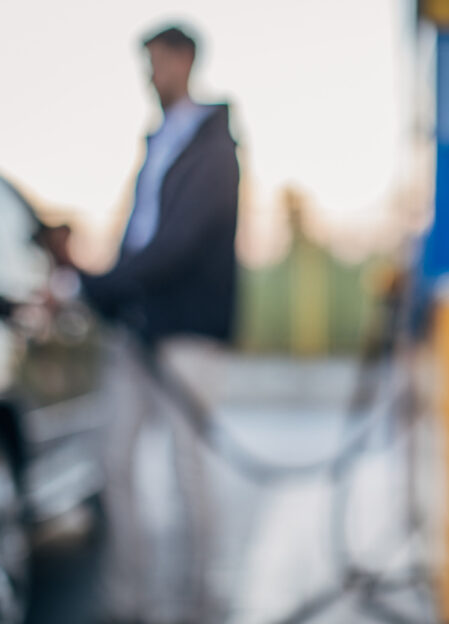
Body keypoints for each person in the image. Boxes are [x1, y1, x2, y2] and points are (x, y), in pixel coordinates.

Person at [48, 25, 239, 623]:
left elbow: (178, 242)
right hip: (136, 329)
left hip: (188, 333)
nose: (150, 76)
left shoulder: (214, 145)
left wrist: (97, 282)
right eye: (146, 65)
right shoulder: (155, 142)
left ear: (184, 61)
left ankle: (202, 605)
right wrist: (96, 287)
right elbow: (139, 238)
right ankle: (128, 602)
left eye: (157, 62)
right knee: (115, 461)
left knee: (190, 473)